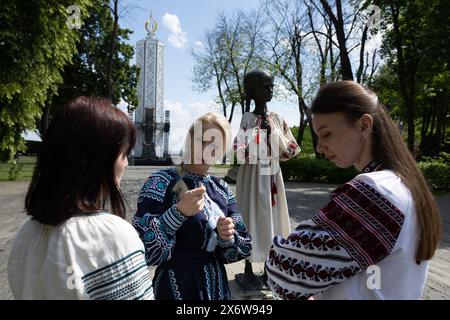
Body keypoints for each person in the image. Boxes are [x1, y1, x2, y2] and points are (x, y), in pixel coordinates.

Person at [265, 81, 442, 299]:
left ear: (364, 125)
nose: (319, 147)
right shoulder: (405, 184)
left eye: (327, 134)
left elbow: (282, 271)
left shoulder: (375, 192)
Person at [8, 97, 153, 300]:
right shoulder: (113, 237)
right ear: (100, 159)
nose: (126, 164)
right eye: (124, 154)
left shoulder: (28, 232)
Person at [132, 112, 252, 300]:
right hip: (175, 288)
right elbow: (141, 248)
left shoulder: (222, 189)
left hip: (218, 290)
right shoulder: (161, 181)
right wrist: (176, 214)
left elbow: (244, 246)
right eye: (201, 141)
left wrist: (227, 236)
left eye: (214, 145)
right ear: (189, 139)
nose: (206, 150)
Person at [233, 69, 301, 290]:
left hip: (272, 175)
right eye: (265, 86)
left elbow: (292, 149)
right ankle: (248, 268)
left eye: (271, 85)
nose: (270, 90)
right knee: (251, 215)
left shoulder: (278, 119)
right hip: (253, 176)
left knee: (272, 218)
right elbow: (239, 151)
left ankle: (270, 266)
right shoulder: (247, 118)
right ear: (253, 91)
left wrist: (273, 136)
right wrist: (256, 135)